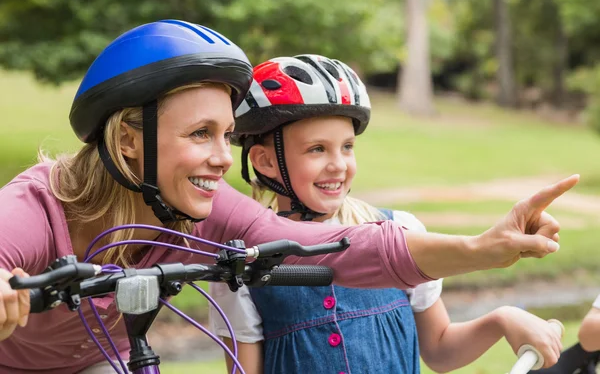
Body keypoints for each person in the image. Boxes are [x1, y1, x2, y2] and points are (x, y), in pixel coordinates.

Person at [0, 20, 576, 374]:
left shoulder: (205, 208)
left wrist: (481, 248)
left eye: (226, 135)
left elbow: (325, 247)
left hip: (105, 360)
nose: (225, 158)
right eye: (201, 134)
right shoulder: (38, 209)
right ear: (129, 139)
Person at [209, 54, 564, 373]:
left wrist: (503, 319)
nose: (338, 165)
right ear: (266, 161)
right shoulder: (243, 265)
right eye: (317, 149)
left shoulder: (400, 232)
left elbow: (440, 349)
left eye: (347, 147)